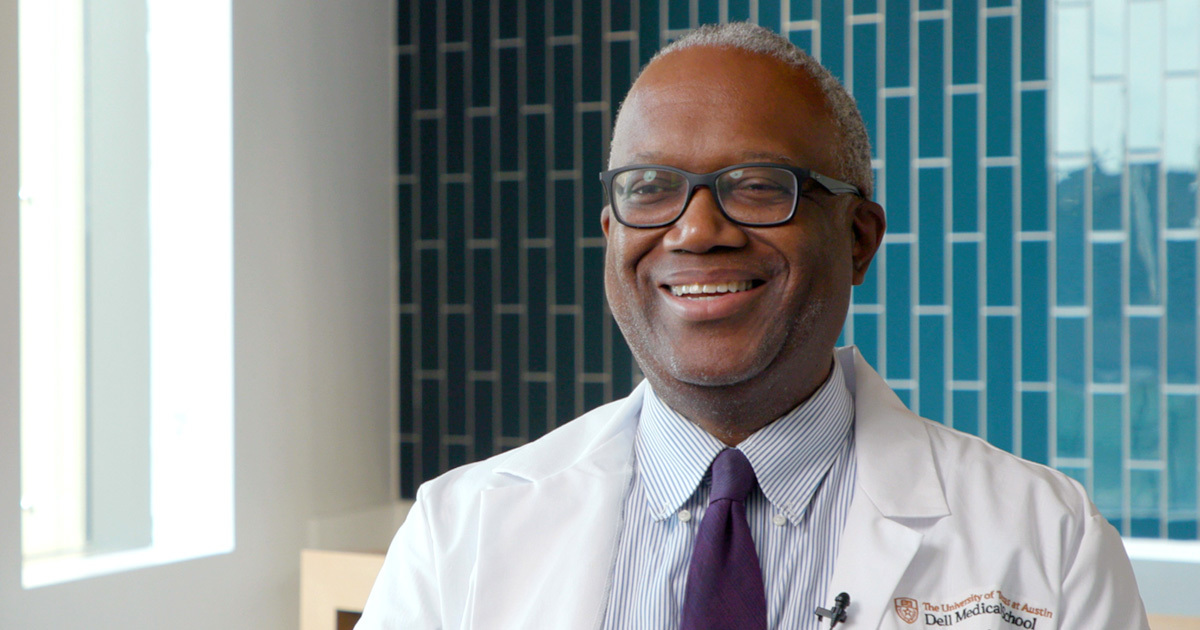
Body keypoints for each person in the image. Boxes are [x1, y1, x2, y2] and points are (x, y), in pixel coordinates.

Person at [358, 22, 1149, 629]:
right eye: (651, 188)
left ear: (859, 239)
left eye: (759, 186)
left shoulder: (1050, 543)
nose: (697, 231)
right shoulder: (459, 533)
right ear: (611, 235)